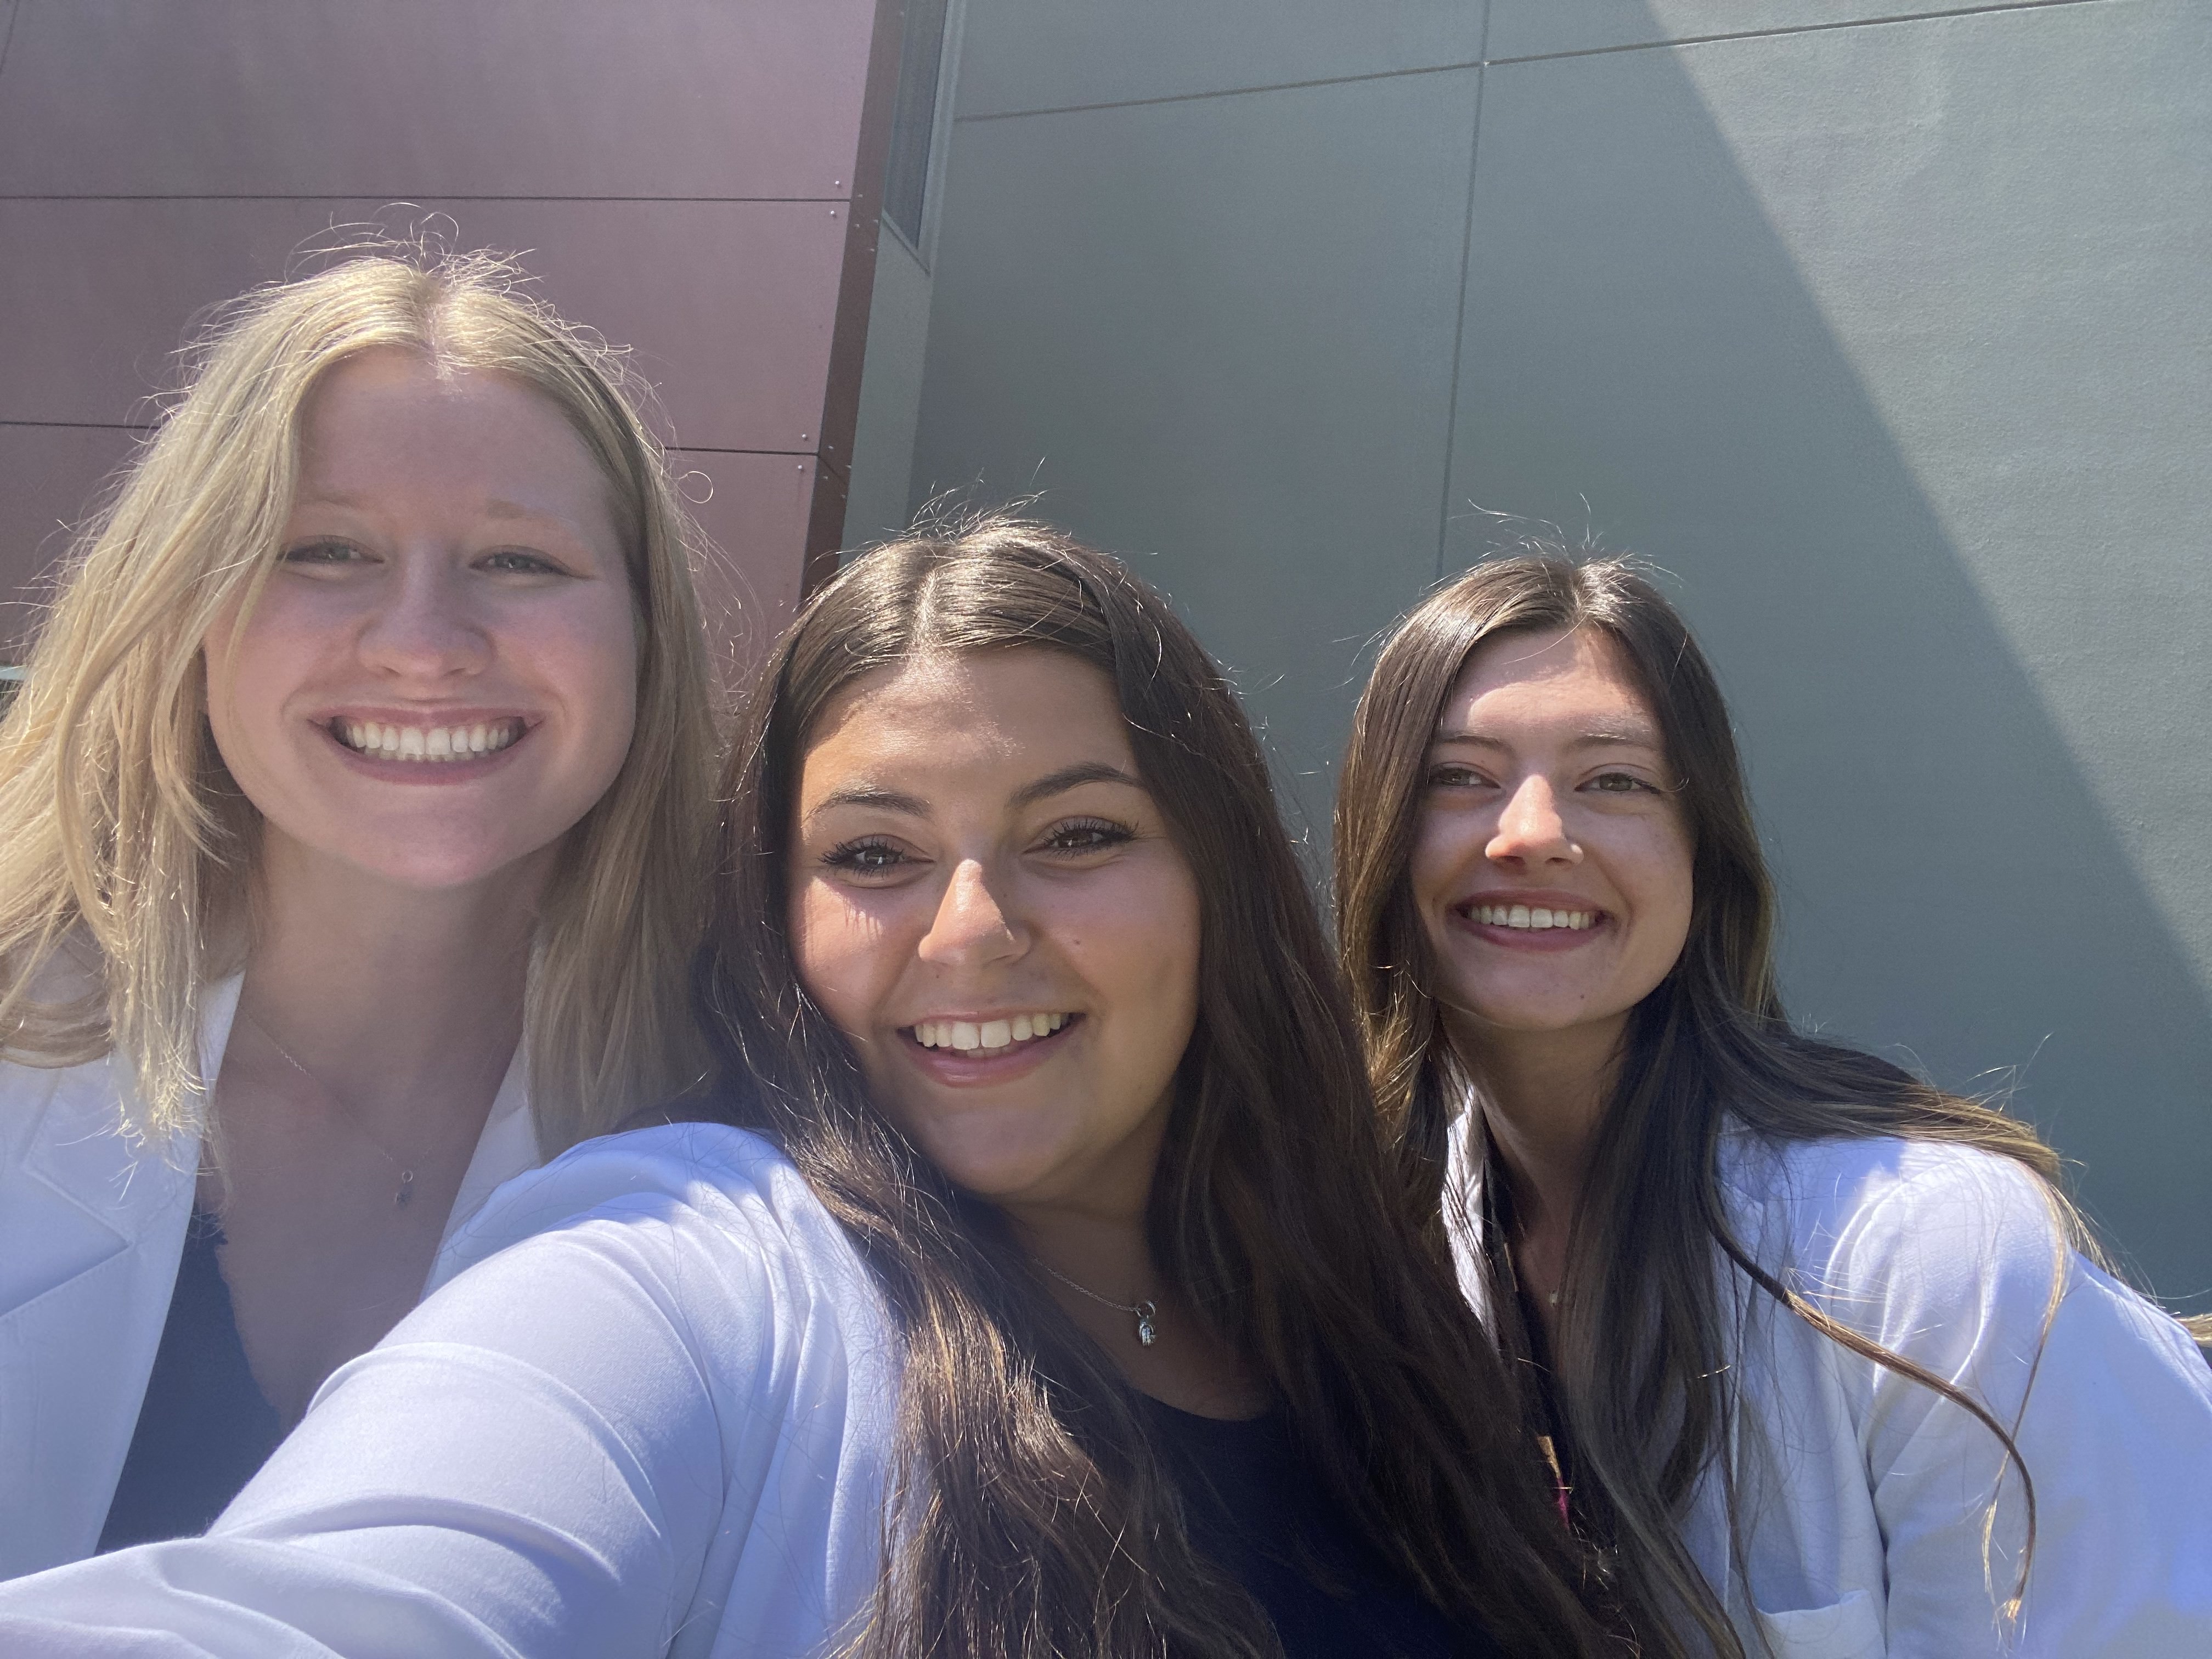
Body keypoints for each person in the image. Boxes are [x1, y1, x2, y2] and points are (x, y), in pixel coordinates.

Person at [0, 519, 1623, 1657]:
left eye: (1075, 835)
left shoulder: (1384, 1315)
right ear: (777, 923)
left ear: (1219, 886)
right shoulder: (697, 1276)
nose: (974, 932)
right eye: (872, 857)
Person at [1331, 551, 2212, 1658]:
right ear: (1377, 841)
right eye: (1459, 777)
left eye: (1616, 780)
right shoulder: (1380, 1257)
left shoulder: (1929, 1257)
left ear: (1703, 863)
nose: (1535, 830)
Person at [0, 249, 717, 1575]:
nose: (425, 641)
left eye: (519, 557)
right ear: (189, 613)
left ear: (644, 639)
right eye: (326, 550)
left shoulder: (745, 1114)